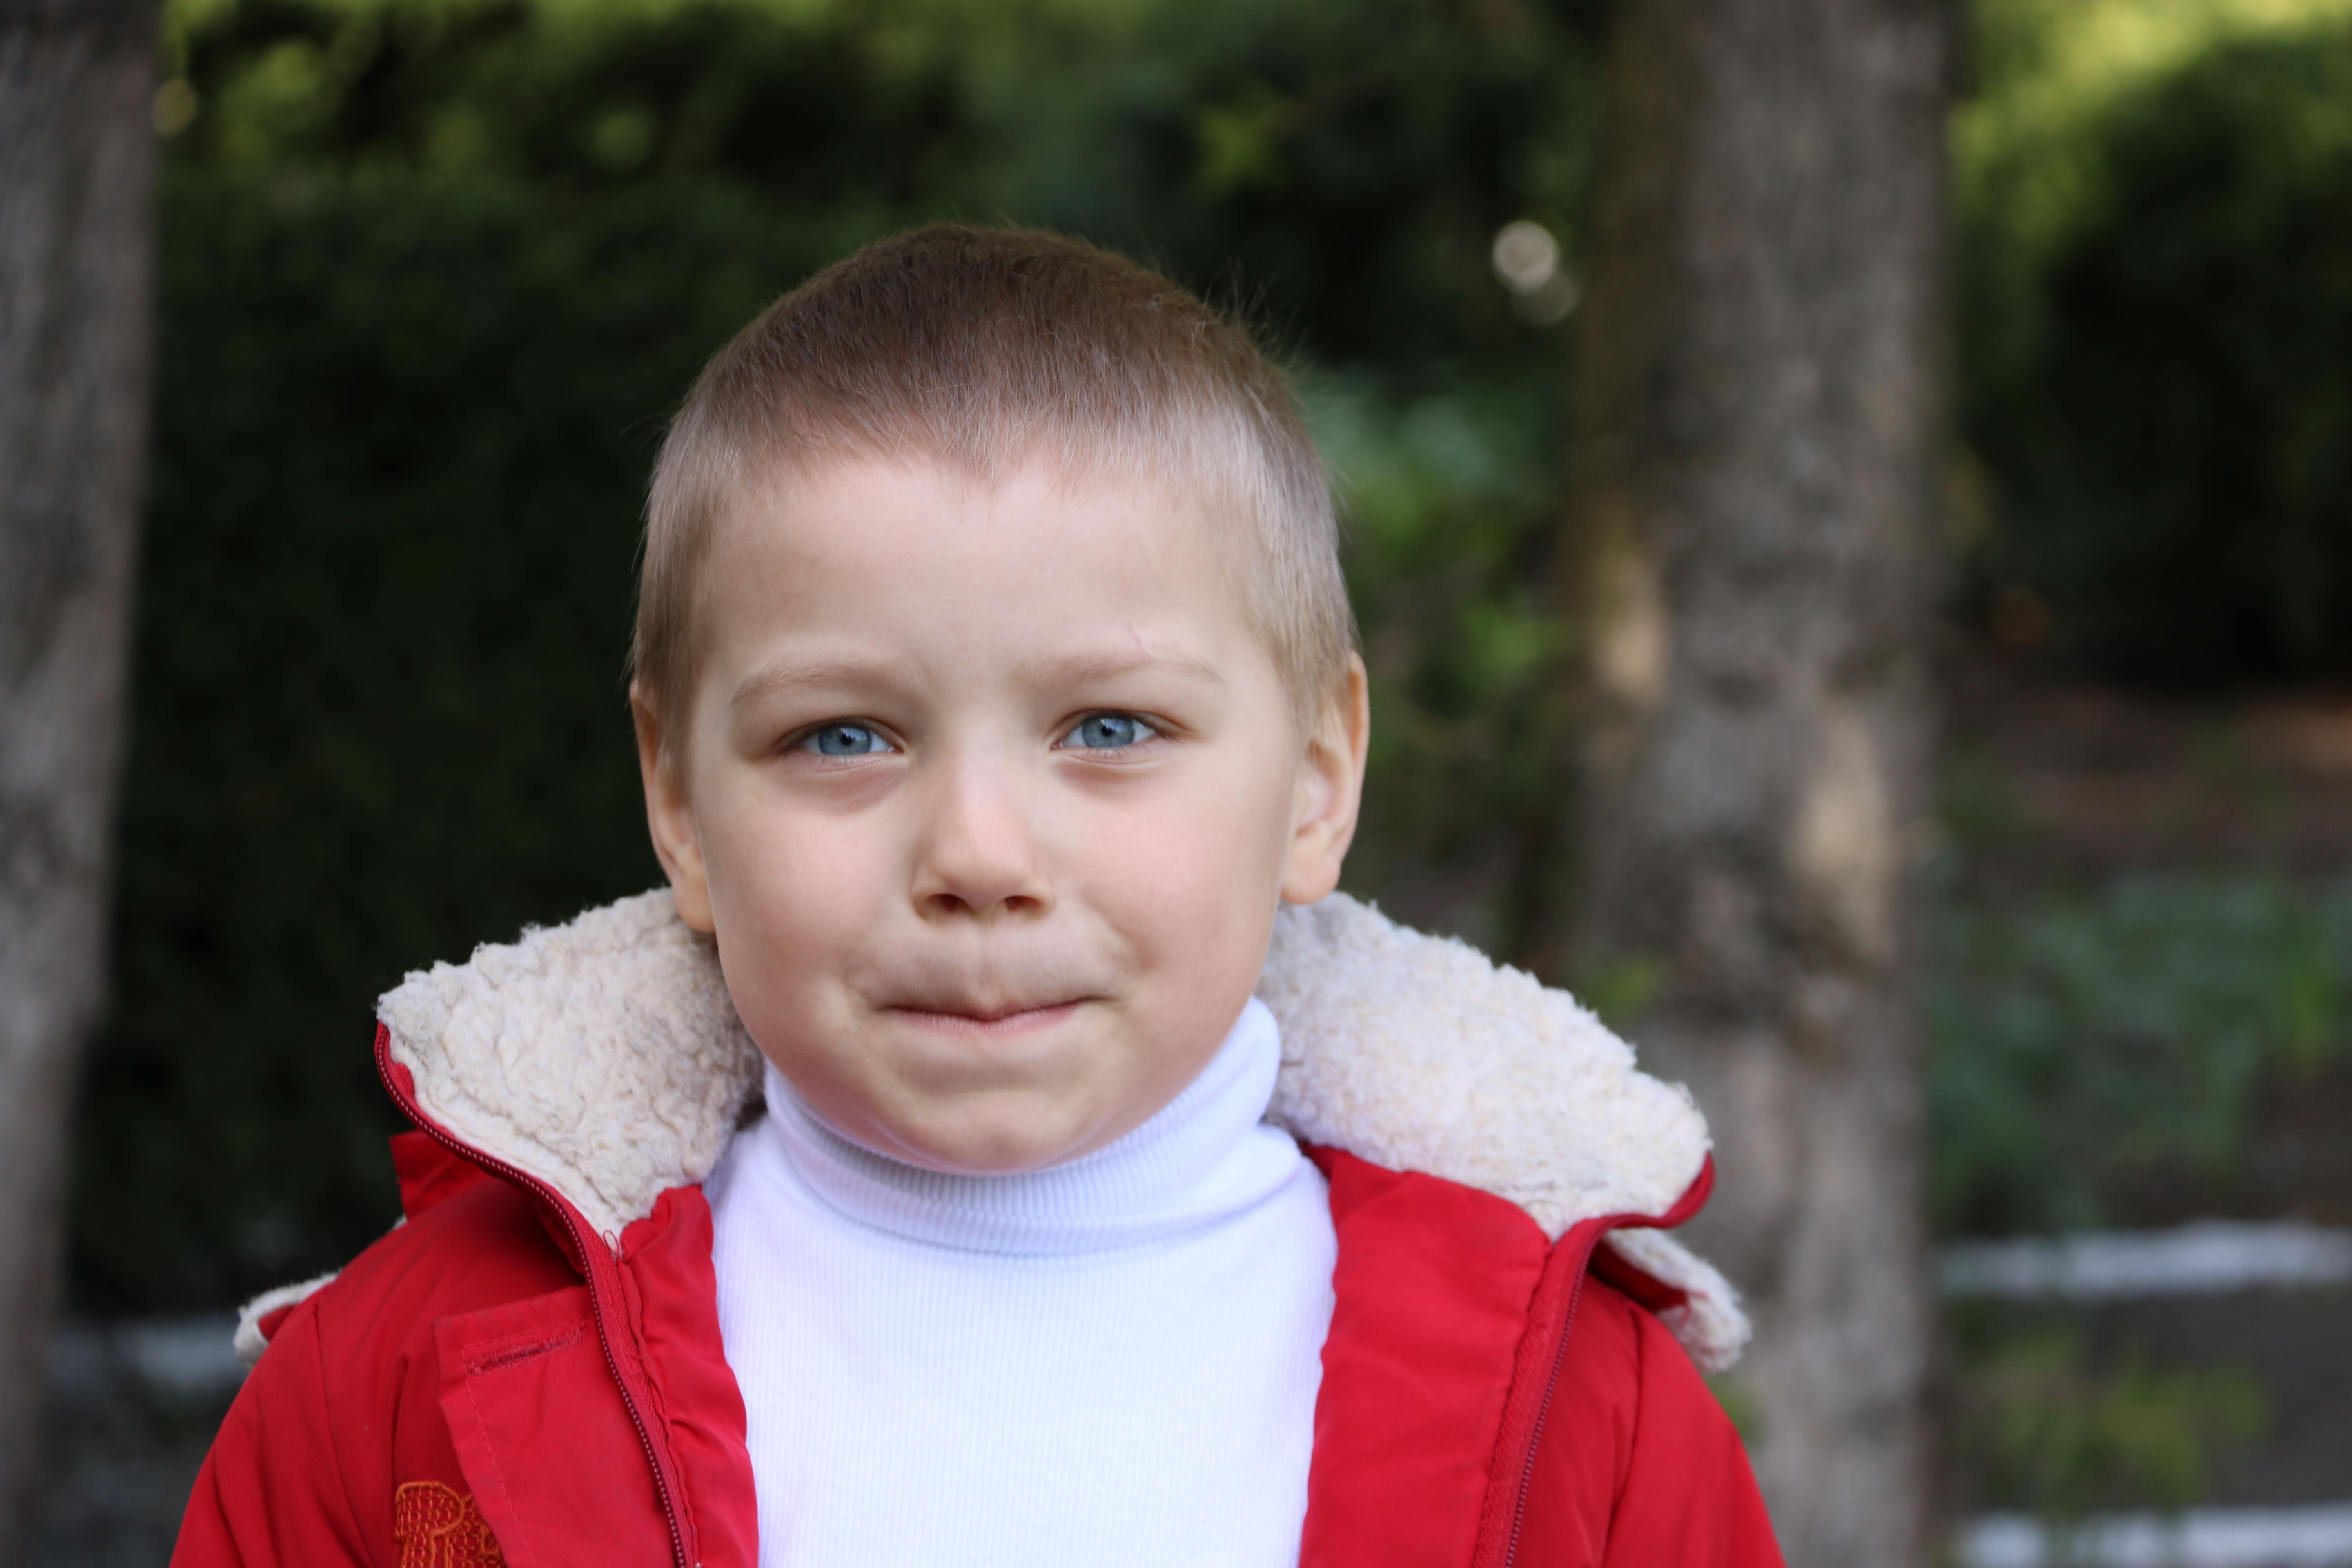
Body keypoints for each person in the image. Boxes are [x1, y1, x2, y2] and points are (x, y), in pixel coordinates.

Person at [172, 225, 1781, 1568]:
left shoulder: (1591, 1417)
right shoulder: (399, 1393)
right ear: (679, 799)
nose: (982, 856)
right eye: (844, 737)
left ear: (1315, 777)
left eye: (1110, 729)